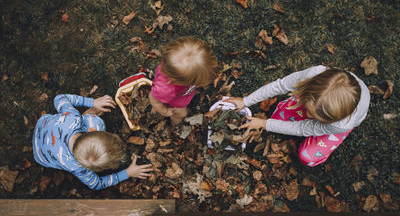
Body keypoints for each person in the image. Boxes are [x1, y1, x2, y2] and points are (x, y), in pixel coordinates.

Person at [227, 65, 370, 167]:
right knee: (279, 115)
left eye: (313, 116)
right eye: (308, 108)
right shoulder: (315, 74)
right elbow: (280, 86)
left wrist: (265, 124)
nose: (307, 115)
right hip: (324, 104)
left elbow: (303, 128)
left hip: (336, 127)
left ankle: (323, 139)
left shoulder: (340, 124)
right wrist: (246, 101)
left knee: (307, 156)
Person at [32, 94, 153, 190]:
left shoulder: (71, 118)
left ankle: (87, 116)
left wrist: (93, 102)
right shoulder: (78, 169)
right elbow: (97, 184)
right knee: (96, 120)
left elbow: (59, 98)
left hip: (43, 129)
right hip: (42, 153)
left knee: (93, 120)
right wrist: (128, 173)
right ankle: (87, 116)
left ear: (91, 130)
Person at [149, 36, 219, 125]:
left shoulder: (176, 67)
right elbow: (153, 98)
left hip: (182, 94)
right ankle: (174, 126)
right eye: (195, 82)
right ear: (175, 80)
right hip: (175, 103)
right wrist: (165, 111)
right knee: (181, 114)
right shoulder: (165, 90)